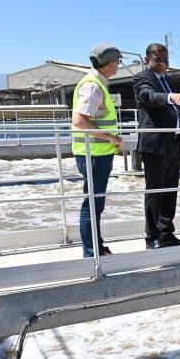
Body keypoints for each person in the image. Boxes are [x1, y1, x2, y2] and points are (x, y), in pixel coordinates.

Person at [133, 42, 180, 248]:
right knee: (155, 191)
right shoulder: (142, 78)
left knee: (170, 191)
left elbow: (179, 113)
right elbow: (148, 97)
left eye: (166, 59)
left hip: (173, 144)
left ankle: (167, 233)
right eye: (158, 59)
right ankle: (152, 237)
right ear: (147, 59)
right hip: (155, 145)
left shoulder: (168, 80)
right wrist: (171, 97)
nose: (163, 63)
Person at [71, 43, 124, 258]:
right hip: (94, 154)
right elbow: (80, 121)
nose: (118, 66)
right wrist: (112, 138)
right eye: (118, 62)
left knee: (96, 203)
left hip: (97, 153)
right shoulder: (93, 85)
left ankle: (97, 247)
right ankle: (92, 253)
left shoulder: (96, 82)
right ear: (111, 64)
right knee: (92, 204)